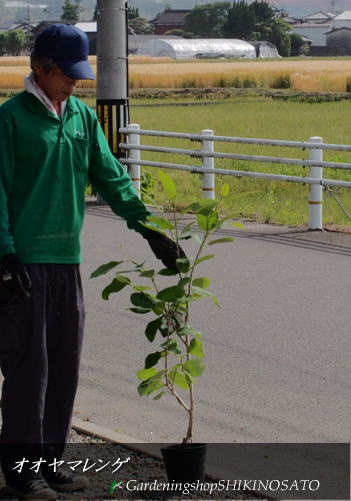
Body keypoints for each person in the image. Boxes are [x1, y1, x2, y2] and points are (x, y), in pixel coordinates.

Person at [0, 23, 185, 500]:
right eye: (68, 73)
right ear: (41, 69)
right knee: (29, 371)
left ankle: (48, 463)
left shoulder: (82, 117)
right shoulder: (10, 120)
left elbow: (110, 176)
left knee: (64, 365)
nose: (76, 82)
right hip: (21, 263)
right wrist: (4, 252)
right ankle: (22, 474)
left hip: (67, 260)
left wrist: (149, 227)